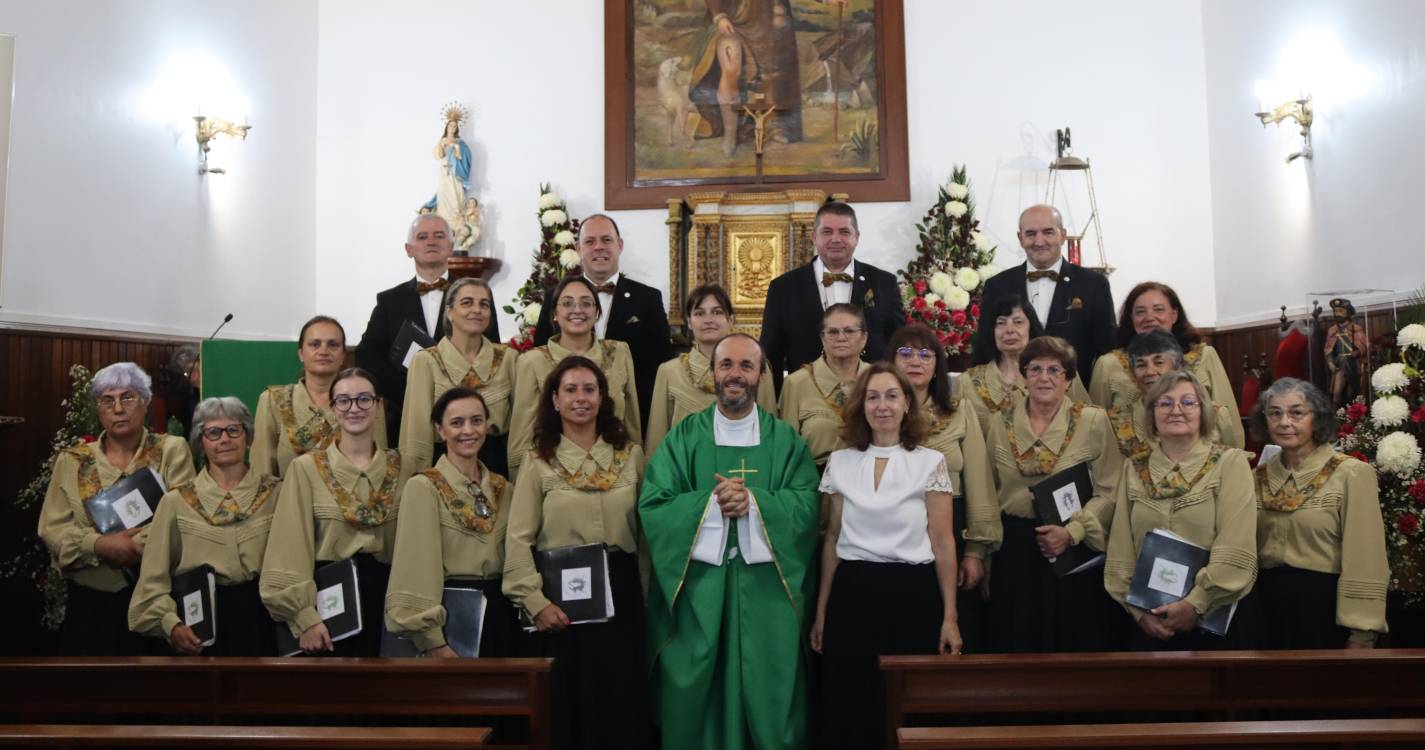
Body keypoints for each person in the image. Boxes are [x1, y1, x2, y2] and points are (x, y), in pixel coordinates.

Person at [640, 333, 821, 750]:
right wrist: (711, 504)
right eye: (726, 365)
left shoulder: (785, 441)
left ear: (761, 374)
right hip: (700, 587)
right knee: (695, 684)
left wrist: (755, 503)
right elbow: (654, 504)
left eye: (746, 366)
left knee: (770, 687)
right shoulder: (684, 437)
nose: (735, 375)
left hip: (767, 591)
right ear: (713, 372)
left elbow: (808, 506)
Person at [502, 357, 651, 749]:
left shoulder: (630, 456)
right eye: (570, 390)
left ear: (603, 398)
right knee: (568, 705)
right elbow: (518, 540)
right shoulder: (537, 462)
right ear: (554, 399)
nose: (580, 398)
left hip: (621, 595)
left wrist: (652, 598)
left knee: (621, 700)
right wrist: (534, 601)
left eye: (589, 389)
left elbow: (648, 536)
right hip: (561, 598)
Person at [811, 364, 962, 749]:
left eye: (892, 396)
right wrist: (822, 611)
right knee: (851, 699)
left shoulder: (929, 462)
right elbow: (832, 539)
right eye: (874, 397)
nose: (883, 406)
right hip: (853, 592)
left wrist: (950, 617)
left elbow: (943, 543)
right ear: (861, 405)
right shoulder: (841, 462)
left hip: (911, 593)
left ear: (907, 405)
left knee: (906, 702)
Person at [38, 362, 196, 656]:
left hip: (157, 605)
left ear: (146, 403)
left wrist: (130, 547)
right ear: (98, 409)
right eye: (107, 400)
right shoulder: (72, 461)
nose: (118, 408)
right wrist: (98, 545)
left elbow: (183, 519)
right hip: (90, 608)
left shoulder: (171, 450)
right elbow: (53, 531)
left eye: (128, 397)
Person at [984, 337, 1124, 653]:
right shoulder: (998, 422)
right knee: (1016, 641)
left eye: (1054, 370)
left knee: (1073, 643)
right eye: (1035, 369)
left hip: (1074, 548)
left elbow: (1110, 489)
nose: (1044, 377)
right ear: (1023, 376)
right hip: (1016, 550)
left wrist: (1072, 533)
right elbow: (989, 492)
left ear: (1069, 379)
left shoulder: (1093, 420)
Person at [1104, 370, 1262, 650]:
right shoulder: (1133, 467)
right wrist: (1139, 613)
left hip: (1211, 618)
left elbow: (1236, 543)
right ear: (1151, 414)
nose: (1176, 410)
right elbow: (1121, 544)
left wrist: (1196, 604)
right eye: (1164, 403)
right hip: (1149, 621)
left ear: (1204, 412)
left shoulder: (1230, 463)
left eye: (1188, 402)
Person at [260, 367, 411, 657]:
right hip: (329, 602)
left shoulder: (404, 468)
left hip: (389, 601)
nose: (354, 408)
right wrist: (303, 618)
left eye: (364, 399)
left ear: (379, 406)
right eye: (344, 401)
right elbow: (289, 547)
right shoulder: (305, 469)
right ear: (333, 409)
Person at [128, 397, 279, 656]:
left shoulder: (277, 493)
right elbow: (152, 583)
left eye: (234, 429)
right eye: (213, 432)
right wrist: (171, 625)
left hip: (267, 622)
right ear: (200, 442)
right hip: (199, 626)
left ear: (248, 437)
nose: (225, 439)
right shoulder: (176, 503)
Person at [386, 387, 525, 658]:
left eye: (476, 420)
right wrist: (432, 640)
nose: (468, 431)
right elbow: (415, 566)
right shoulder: (423, 486)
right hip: (452, 617)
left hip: (503, 615)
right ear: (440, 430)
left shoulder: (503, 488)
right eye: (457, 423)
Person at [1250, 378, 1389, 648]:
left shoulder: (1351, 474)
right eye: (1275, 413)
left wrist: (1362, 632)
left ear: (1318, 418)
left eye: (1296, 412)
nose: (1284, 422)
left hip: (1324, 611)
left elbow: (1366, 557)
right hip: (1263, 610)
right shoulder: (1257, 477)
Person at [888, 324, 997, 653]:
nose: (915, 361)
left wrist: (976, 551)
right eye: (905, 353)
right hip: (894, 528)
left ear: (938, 364)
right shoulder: (878, 409)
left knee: (953, 628)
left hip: (952, 526)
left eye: (925, 354)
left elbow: (979, 482)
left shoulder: (959, 410)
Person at [356, 214, 501, 447]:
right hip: (405, 416)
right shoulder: (389, 301)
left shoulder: (477, 296)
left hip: (466, 424)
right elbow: (367, 356)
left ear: (451, 246)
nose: (431, 242)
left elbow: (492, 352)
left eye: (439, 236)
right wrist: (414, 389)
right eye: (422, 237)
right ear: (409, 249)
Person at [533, 214, 671, 434]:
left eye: (606, 240)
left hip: (626, 425)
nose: (599, 247)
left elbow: (661, 366)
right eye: (590, 241)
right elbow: (540, 357)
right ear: (578, 248)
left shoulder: (648, 299)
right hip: (562, 428)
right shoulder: (554, 298)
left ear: (620, 245)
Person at [761, 202, 904, 396]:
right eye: (827, 232)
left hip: (871, 396)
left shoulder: (884, 283)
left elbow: (898, 345)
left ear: (857, 237)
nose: (835, 239)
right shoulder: (783, 288)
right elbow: (771, 355)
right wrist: (776, 404)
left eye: (844, 232)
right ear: (814, 237)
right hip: (806, 397)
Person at [511, 275, 641, 478]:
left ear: (596, 312)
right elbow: (522, 436)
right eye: (567, 303)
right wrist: (521, 483)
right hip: (554, 474)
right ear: (554, 312)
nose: (577, 310)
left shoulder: (619, 352)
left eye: (586, 303)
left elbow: (632, 423)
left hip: (615, 471)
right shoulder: (533, 361)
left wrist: (638, 468)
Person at [976, 205, 1114, 385]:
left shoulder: (1094, 285)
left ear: (1062, 235)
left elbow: (1107, 352)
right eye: (1031, 234)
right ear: (1020, 238)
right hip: (1009, 397)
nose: (1039, 241)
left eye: (1048, 232)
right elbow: (984, 347)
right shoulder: (997, 285)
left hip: (1076, 398)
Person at [400, 279, 516, 477]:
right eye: (467, 302)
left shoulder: (508, 358)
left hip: (496, 466)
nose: (477, 310)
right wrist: (415, 483)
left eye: (484, 304)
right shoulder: (426, 361)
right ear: (449, 312)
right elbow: (416, 435)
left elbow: (520, 430)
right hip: (442, 466)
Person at [646, 284, 775, 456]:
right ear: (689, 322)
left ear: (730, 319)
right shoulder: (669, 371)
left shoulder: (756, 366)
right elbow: (657, 438)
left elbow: (769, 428)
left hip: (743, 466)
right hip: (684, 471)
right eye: (699, 313)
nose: (709, 319)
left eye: (717, 312)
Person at [253, 315, 387, 479]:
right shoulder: (274, 400)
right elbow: (262, 474)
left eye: (333, 344)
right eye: (315, 344)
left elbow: (378, 467)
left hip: (348, 502)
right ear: (301, 353)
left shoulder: (365, 402)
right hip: (288, 501)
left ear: (344, 354)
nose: (323, 351)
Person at [1089, 281, 1239, 419]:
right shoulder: (1108, 364)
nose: (1149, 317)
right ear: (1131, 318)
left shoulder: (1204, 355)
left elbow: (1228, 418)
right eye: (1140, 312)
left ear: (1174, 315)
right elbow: (1097, 425)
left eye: (1158, 310)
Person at [957, 294, 1088, 437]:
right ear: (992, 331)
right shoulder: (967, 382)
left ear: (1031, 328)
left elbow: (1085, 425)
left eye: (1018, 322)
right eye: (1001, 323)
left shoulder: (1061, 373)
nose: (1009, 330)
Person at [1107, 331, 1244, 465]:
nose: (1150, 372)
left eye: (1159, 362)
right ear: (1133, 375)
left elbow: (1232, 464)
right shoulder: (1117, 421)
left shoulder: (1214, 414)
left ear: (1177, 367)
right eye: (1141, 365)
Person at [687, 0, 804, 154]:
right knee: (731, 65)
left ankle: (773, 124)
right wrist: (719, 16)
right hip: (730, 17)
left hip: (765, 19)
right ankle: (730, 133)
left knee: (772, 72)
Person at [777, 302, 870, 467]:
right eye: (833, 332)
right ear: (822, 338)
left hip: (869, 477)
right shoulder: (796, 382)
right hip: (812, 481)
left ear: (863, 338)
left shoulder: (877, 379)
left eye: (849, 331)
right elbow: (786, 448)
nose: (841, 337)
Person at [421, 115, 473, 231]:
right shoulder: (442, 140)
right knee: (443, 195)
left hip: (455, 173)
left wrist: (456, 146)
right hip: (444, 172)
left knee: (455, 196)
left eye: (455, 126)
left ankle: (457, 227)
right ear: (447, 126)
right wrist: (442, 144)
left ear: (457, 128)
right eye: (450, 125)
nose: (452, 128)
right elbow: (439, 156)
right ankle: (443, 225)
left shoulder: (461, 143)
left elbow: (461, 157)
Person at [1324, 297, 1370, 407]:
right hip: (1338, 365)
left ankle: (1349, 396)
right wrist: (1330, 362)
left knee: (1345, 359)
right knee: (1342, 359)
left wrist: (1358, 352)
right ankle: (1339, 410)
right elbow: (1328, 349)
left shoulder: (1356, 328)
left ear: (1348, 312)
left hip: (1354, 364)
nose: (1337, 313)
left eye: (1341, 311)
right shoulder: (1332, 330)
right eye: (1335, 311)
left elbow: (1367, 346)